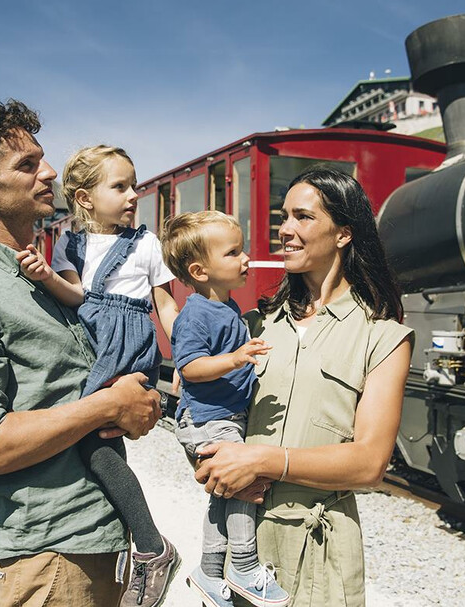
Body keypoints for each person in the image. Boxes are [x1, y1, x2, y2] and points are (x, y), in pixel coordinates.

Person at [0, 99, 162, 607]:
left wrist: (139, 406)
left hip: (104, 544)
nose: (48, 172)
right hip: (51, 561)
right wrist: (106, 406)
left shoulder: (52, 278)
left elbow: (82, 390)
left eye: (41, 158)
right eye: (26, 165)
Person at [193, 167, 413, 607]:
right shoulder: (253, 326)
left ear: (343, 234)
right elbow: (208, 407)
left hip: (320, 552)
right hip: (243, 547)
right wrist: (209, 459)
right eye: (283, 216)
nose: (285, 229)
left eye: (303, 217)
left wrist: (260, 459)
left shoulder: (384, 336)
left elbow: (370, 463)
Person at [16, 145, 181, 607]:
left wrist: (184, 359)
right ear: (85, 199)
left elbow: (165, 305)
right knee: (95, 440)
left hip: (125, 345)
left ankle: (150, 546)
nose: (134, 195)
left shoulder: (147, 243)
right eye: (120, 186)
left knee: (94, 437)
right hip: (88, 338)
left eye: (135, 185)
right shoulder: (70, 242)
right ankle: (142, 544)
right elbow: (73, 295)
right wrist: (46, 274)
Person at [160, 211, 289, 607]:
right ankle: (245, 568)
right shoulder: (197, 314)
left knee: (222, 498)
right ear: (200, 271)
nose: (246, 257)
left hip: (221, 418)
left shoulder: (227, 307)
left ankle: (210, 572)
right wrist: (236, 359)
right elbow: (191, 368)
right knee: (242, 491)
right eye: (233, 252)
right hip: (210, 421)